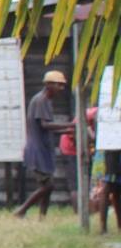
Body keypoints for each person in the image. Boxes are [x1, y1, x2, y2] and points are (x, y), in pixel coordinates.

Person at [14, 70, 75, 218]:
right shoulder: (41, 100)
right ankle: (21, 211)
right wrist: (68, 126)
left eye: (62, 85)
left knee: (47, 187)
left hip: (43, 149)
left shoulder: (45, 100)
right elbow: (45, 125)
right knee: (48, 185)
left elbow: (47, 129)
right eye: (58, 85)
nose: (61, 88)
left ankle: (42, 216)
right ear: (48, 85)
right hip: (37, 150)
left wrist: (67, 130)